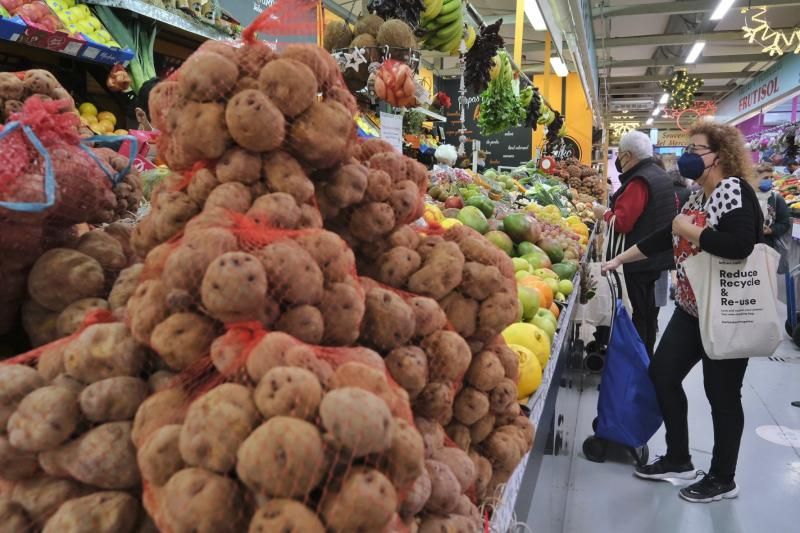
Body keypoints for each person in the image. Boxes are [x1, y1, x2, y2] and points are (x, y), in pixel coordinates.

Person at [603, 122, 763, 503]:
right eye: (687, 148)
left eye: (697, 149)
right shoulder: (696, 196)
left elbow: (741, 245)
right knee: (663, 373)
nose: (688, 155)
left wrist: (691, 233)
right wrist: (619, 260)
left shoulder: (734, 192)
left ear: (719, 157)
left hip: (725, 312)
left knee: (722, 394)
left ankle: (724, 477)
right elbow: (665, 237)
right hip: (691, 309)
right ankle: (679, 457)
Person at [594, 131, 676, 356]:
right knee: (649, 314)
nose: (619, 160)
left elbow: (622, 223)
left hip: (638, 261)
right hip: (655, 258)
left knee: (636, 314)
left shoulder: (639, 181)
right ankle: (646, 358)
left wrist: (603, 213)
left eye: (619, 155)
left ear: (628, 156)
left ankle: (636, 362)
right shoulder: (660, 174)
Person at [755, 163, 791, 252]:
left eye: (771, 178)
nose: (770, 180)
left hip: (767, 247)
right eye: (765, 178)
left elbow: (785, 223)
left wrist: (771, 230)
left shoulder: (776, 198)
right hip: (746, 245)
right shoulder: (746, 197)